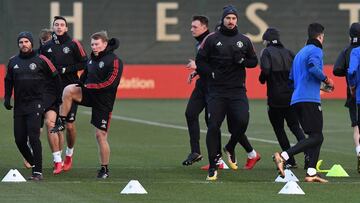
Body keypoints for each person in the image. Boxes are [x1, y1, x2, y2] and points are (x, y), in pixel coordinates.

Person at [196, 5, 260, 180]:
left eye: (234, 18)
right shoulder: (211, 39)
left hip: (238, 90)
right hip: (216, 91)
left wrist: (243, 61)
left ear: (237, 20)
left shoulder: (244, 40)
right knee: (213, 125)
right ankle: (213, 164)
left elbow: (254, 61)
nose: (231, 21)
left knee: (242, 121)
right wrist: (211, 73)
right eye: (228, 18)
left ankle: (230, 146)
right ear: (223, 20)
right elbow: (200, 61)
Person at [51, 31, 123, 179]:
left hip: (103, 101)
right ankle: (61, 121)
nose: (94, 47)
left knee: (100, 135)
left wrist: (90, 86)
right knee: (69, 90)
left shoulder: (114, 60)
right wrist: (81, 85)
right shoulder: (91, 60)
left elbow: (111, 83)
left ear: (105, 44)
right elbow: (83, 79)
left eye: (97, 44)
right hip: (90, 94)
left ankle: (104, 169)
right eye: (92, 44)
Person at [273, 23, 334, 183]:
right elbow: (313, 68)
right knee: (317, 136)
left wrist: (319, 87)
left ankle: (311, 173)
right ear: (320, 36)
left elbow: (293, 80)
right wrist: (326, 80)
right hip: (309, 99)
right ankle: (284, 156)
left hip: (297, 99)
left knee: (314, 136)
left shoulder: (300, 53)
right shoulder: (316, 50)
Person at [4, 31, 61, 180]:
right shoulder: (13, 61)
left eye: (26, 42)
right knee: (19, 139)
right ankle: (34, 162)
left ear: (31, 43)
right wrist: (7, 97)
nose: (24, 44)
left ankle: (38, 172)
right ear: (18, 44)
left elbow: (56, 77)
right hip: (19, 105)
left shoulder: (42, 59)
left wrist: (56, 97)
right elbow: (8, 80)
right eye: (21, 42)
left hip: (36, 104)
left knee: (34, 137)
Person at [40, 16, 87, 172]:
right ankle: (57, 160)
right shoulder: (46, 46)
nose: (59, 27)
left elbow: (84, 63)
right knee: (50, 123)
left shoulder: (74, 44)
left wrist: (67, 69)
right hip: (51, 90)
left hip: (70, 90)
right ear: (53, 27)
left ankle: (69, 154)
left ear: (66, 28)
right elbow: (39, 64)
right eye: (56, 25)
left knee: (69, 126)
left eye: (62, 25)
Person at [259, 27, 307, 169]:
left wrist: (262, 78)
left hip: (275, 98)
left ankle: (290, 160)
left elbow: (266, 70)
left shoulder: (266, 52)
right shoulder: (289, 53)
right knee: (295, 127)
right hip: (291, 97)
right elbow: (298, 73)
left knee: (279, 129)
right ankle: (309, 154)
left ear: (267, 41)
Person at [182, 15, 212, 166]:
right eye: (191, 26)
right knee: (190, 113)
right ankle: (195, 152)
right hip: (202, 85)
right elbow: (205, 66)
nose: (191, 29)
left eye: (195, 26)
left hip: (213, 88)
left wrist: (197, 67)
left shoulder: (212, 41)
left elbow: (215, 66)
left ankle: (218, 158)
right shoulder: (199, 43)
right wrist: (197, 71)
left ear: (204, 28)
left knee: (212, 122)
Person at [333, 22, 360, 173]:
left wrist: (349, 76)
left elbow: (337, 69)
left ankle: (359, 151)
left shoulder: (347, 51)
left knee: (357, 126)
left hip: (353, 94)